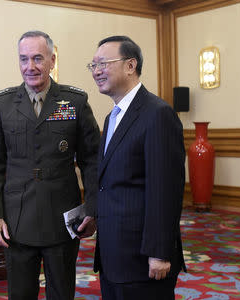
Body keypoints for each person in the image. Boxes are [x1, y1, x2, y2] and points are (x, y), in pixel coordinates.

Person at [0, 31, 100, 300]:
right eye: (23, 59)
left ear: (52, 60)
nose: (29, 67)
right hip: (16, 218)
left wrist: (92, 208)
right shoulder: (3, 103)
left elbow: (92, 160)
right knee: (20, 293)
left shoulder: (74, 101)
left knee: (62, 292)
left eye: (37, 58)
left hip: (63, 217)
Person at [89, 35, 186, 299]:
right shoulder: (112, 117)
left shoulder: (158, 114)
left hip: (144, 258)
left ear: (130, 66)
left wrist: (160, 251)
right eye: (93, 65)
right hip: (114, 254)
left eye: (103, 63)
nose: (96, 71)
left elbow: (165, 189)